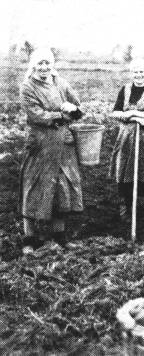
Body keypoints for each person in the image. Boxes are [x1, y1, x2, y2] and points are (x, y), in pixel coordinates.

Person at [19, 47, 84, 254]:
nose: (44, 67)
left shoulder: (61, 83)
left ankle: (59, 237)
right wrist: (62, 114)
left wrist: (73, 109)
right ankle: (30, 239)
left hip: (63, 145)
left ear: (52, 64)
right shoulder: (28, 86)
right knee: (35, 187)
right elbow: (36, 115)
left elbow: (78, 107)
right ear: (33, 65)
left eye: (47, 63)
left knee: (62, 188)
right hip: (41, 145)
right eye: (40, 63)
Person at [109, 58, 144, 218]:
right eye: (135, 72)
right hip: (125, 138)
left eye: (141, 72)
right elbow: (116, 112)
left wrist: (134, 112)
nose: (138, 75)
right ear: (131, 73)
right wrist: (135, 118)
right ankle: (126, 206)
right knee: (125, 170)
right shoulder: (125, 89)